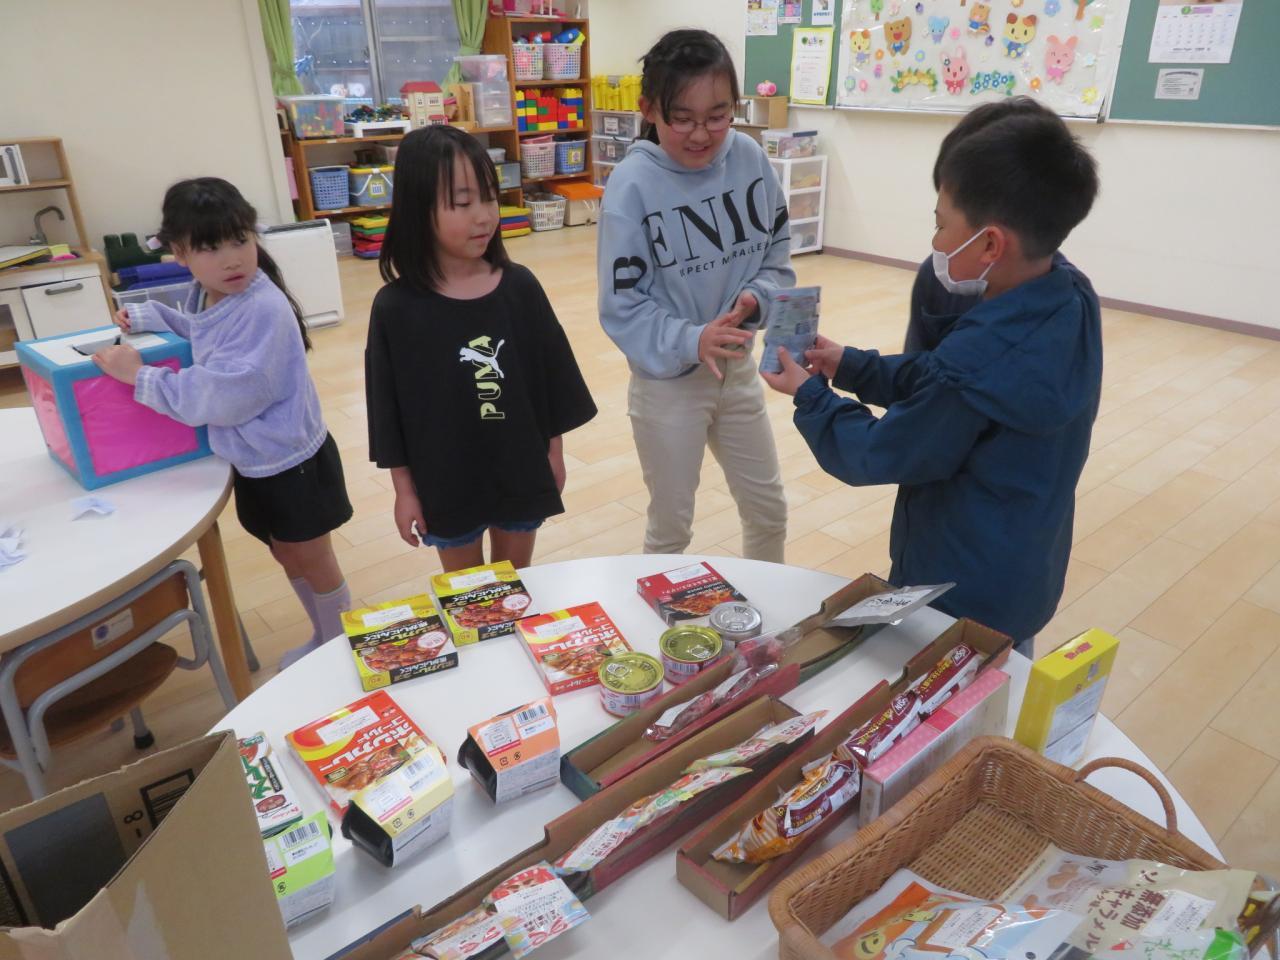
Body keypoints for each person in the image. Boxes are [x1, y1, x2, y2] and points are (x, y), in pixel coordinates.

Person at [761, 97, 1102, 656]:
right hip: (1026, 571)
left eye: (942, 224)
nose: (937, 242)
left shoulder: (975, 360)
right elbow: (945, 378)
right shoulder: (1071, 294)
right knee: (1007, 669)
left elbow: (879, 453)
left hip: (956, 591)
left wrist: (811, 394)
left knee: (947, 692)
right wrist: (852, 365)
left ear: (990, 243)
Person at [94, 177, 352, 670]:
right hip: (258, 458)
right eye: (211, 248)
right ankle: (325, 638)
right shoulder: (210, 293)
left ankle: (340, 647)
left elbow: (226, 394)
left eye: (240, 240)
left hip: (290, 459)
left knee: (313, 558)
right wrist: (155, 316)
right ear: (179, 253)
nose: (231, 259)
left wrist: (141, 377)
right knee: (286, 552)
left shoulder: (263, 307)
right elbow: (205, 332)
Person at [597, 28, 794, 563]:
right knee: (670, 531)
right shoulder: (631, 184)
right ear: (648, 110)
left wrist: (757, 297)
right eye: (682, 118)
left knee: (769, 511)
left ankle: (765, 611)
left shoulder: (749, 157)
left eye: (718, 115)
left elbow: (777, 256)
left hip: (737, 370)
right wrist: (692, 338)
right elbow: (622, 306)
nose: (702, 134)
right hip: (667, 385)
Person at [365, 125, 596, 573]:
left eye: (490, 198)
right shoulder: (395, 308)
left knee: (516, 584)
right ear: (418, 209)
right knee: (468, 596)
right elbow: (388, 411)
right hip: (444, 479)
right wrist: (404, 490)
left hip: (520, 467)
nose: (484, 216)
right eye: (462, 202)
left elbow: (550, 381)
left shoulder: (520, 287)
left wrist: (553, 454)